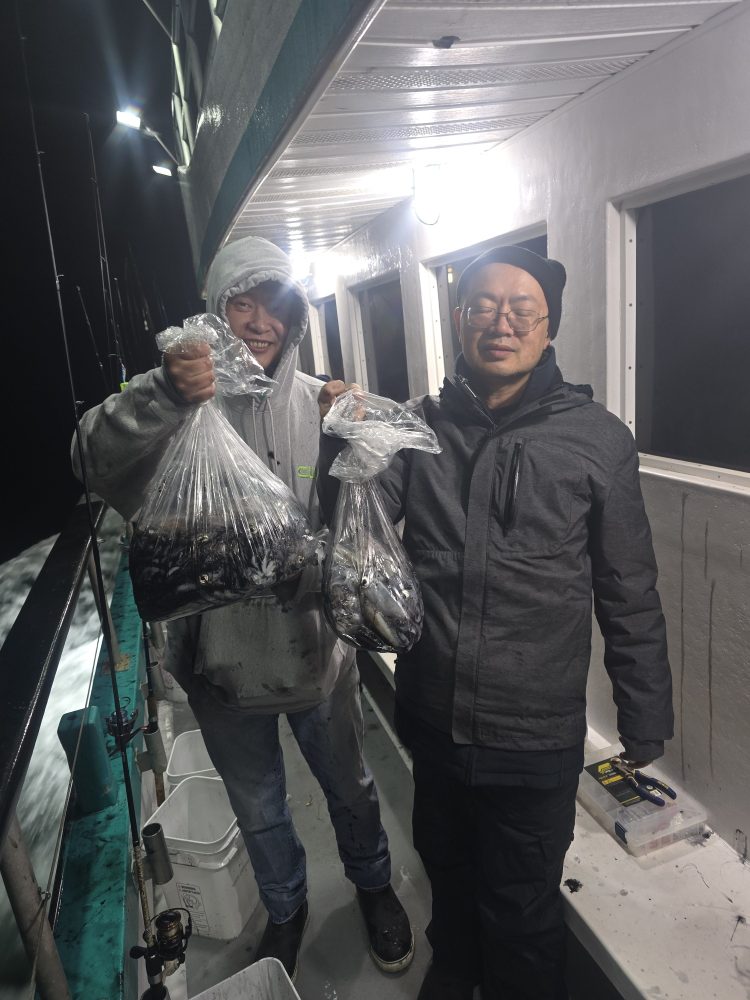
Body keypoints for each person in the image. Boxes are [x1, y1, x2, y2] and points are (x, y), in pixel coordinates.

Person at [317, 245, 673, 1000]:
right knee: (446, 867)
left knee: (522, 904)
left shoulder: (599, 440)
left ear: (549, 328)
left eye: (521, 310)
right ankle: (454, 970)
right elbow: (354, 541)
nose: (499, 323)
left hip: (533, 731)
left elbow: (628, 588)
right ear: (459, 319)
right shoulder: (413, 428)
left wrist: (644, 715)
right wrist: (341, 442)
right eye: (482, 306)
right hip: (431, 711)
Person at [71, 235, 413, 981]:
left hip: (320, 659)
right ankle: (285, 913)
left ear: (295, 317)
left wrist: (363, 437)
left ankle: (375, 886)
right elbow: (88, 455)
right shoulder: (172, 404)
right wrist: (163, 392)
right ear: (215, 312)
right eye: (241, 303)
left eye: (277, 305)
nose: (261, 322)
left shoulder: (324, 404)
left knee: (351, 790)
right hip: (220, 673)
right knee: (259, 812)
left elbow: (375, 524)